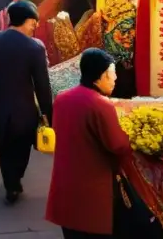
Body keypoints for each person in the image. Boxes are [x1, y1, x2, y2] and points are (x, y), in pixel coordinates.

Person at [46, 48, 133, 238]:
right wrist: (130, 136)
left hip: (66, 183)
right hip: (92, 188)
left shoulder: (62, 98)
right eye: (111, 73)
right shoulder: (101, 104)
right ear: (98, 77)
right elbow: (118, 145)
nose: (116, 78)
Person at [0, 0, 52, 204]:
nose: (35, 27)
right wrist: (48, 112)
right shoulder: (34, 48)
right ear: (26, 21)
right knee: (22, 147)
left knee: (3, 146)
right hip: (24, 107)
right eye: (33, 23)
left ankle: (10, 181)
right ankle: (15, 179)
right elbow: (42, 85)